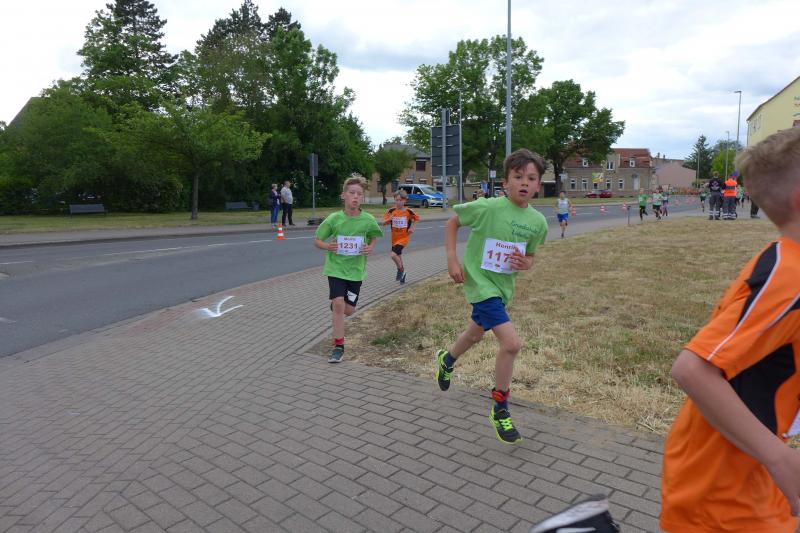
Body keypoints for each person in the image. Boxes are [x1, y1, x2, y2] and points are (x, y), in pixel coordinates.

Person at [660, 127, 800, 533]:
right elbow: (692, 370)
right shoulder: (789, 276)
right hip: (722, 491)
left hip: (751, 476)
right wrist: (779, 457)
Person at [435, 148, 548, 444]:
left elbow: (531, 256)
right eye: (518, 176)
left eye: (531, 178)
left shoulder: (538, 222)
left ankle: (447, 360)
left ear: (538, 185)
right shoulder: (488, 207)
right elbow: (452, 223)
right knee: (511, 344)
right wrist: (452, 259)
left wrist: (526, 263)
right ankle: (500, 408)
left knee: (474, 335)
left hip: (502, 289)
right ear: (506, 182)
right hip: (479, 283)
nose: (524, 183)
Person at [314, 175, 383, 363]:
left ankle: (336, 306)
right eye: (352, 193)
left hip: (355, 271)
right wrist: (328, 246)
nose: (355, 197)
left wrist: (370, 247)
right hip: (335, 268)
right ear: (343, 195)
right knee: (339, 303)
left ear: (362, 198)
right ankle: (338, 346)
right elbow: (317, 240)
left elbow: (374, 236)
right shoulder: (334, 219)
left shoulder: (368, 220)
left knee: (349, 310)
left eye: (359, 194)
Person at [381, 189, 420, 283]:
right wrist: (389, 219)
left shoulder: (409, 211)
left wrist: (412, 228)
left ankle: (400, 270)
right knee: (398, 256)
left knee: (393, 255)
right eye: (396, 200)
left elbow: (417, 218)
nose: (398, 202)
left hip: (404, 238)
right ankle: (403, 274)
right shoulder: (391, 211)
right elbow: (383, 223)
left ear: (405, 200)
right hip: (394, 238)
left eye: (400, 200)